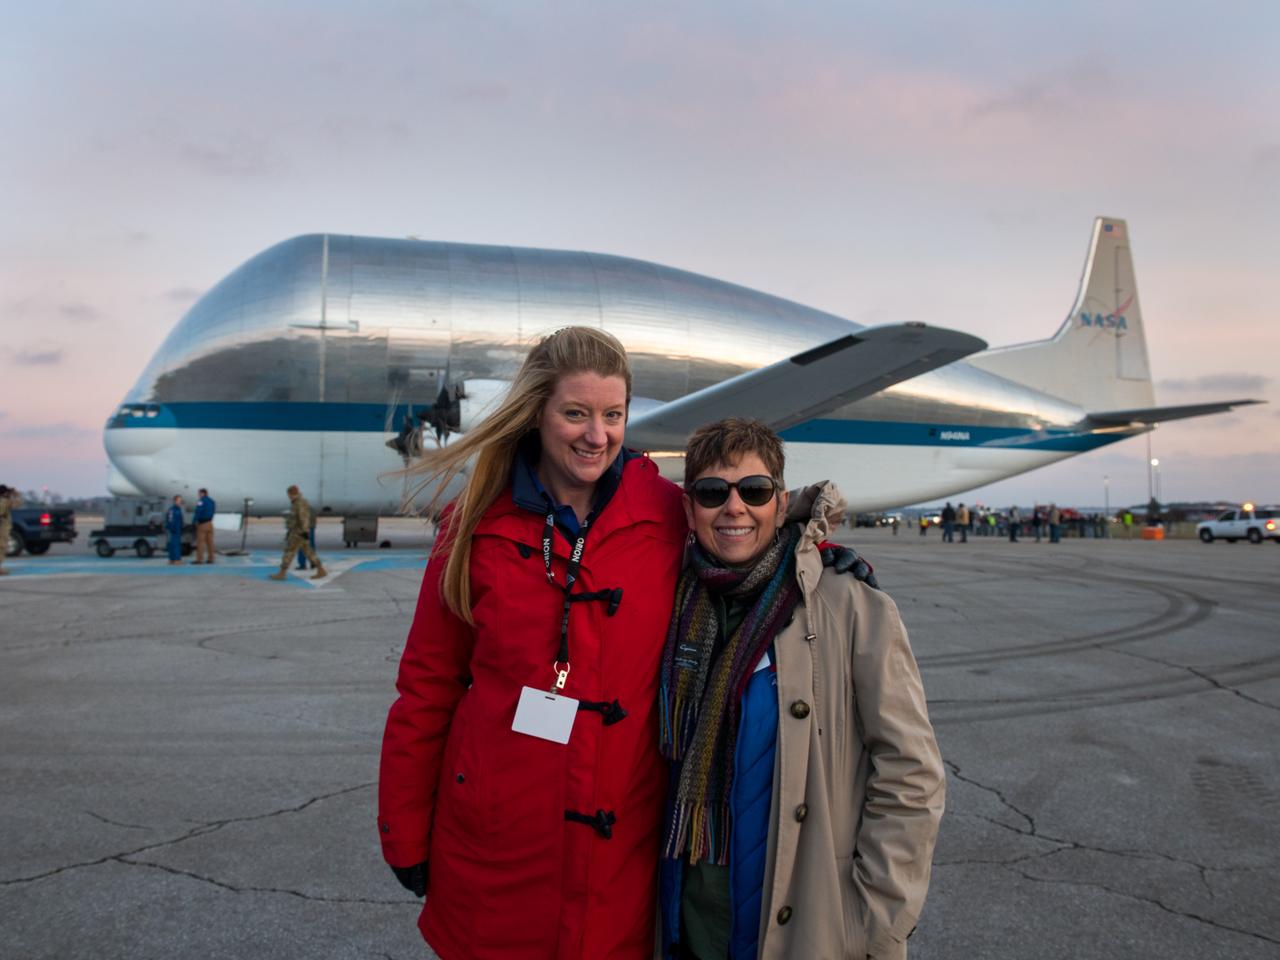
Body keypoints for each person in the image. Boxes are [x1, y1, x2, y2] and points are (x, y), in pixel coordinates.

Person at [376, 327, 882, 959]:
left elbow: (742, 531)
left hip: (616, 853)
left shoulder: (664, 511)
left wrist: (815, 555)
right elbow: (426, 686)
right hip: (492, 845)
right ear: (537, 413)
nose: (597, 435)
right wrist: (403, 830)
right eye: (576, 414)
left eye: (613, 415)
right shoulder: (474, 525)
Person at [658, 419, 944, 960]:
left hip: (803, 925)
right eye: (713, 492)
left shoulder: (847, 604)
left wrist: (874, 919)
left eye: (755, 491)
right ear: (689, 506)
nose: (735, 507)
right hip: (686, 923)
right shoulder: (670, 603)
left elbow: (911, 773)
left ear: (781, 500)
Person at [270, 485, 326, 580]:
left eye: (289, 494)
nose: (288, 496)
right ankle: (321, 570)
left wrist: (304, 531)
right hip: (297, 531)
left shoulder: (299, 503)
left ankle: (282, 573)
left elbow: (304, 518)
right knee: (308, 552)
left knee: (289, 551)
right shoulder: (297, 502)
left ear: (291, 494)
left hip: (298, 533)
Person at [0, 484, 22, 575]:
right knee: (1, 547)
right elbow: (18, 503)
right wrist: (16, 495)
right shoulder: (4, 501)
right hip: (2, 528)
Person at [193, 487, 216, 564]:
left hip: (202, 524)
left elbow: (198, 511)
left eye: (199, 493)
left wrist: (194, 521)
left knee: (200, 542)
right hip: (210, 523)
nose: (198, 495)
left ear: (203, 493)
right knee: (210, 542)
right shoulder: (212, 501)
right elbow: (213, 511)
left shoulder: (201, 501)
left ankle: (200, 559)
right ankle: (211, 558)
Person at [165, 495, 185, 565]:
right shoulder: (172, 510)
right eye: (179, 500)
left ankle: (172, 559)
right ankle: (177, 559)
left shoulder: (178, 509)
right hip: (174, 530)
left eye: (180, 500)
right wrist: (172, 528)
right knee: (175, 545)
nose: (180, 502)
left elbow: (180, 520)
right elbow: (170, 520)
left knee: (174, 545)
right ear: (175, 501)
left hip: (178, 530)